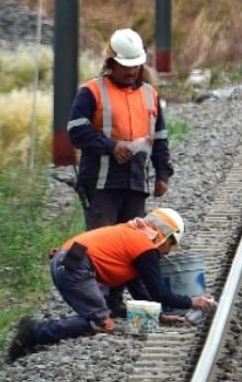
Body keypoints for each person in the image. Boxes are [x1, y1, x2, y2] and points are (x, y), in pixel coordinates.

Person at [7, 208, 216, 360]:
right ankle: (34, 332)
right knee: (99, 323)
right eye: (171, 244)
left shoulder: (133, 236)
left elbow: (138, 290)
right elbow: (159, 292)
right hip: (75, 267)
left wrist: (158, 316)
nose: (168, 252)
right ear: (165, 236)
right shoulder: (145, 247)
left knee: (100, 317)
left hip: (67, 262)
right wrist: (192, 302)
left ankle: (35, 335)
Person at [69, 28, 173, 231]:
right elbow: (76, 131)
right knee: (103, 244)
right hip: (101, 186)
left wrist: (162, 174)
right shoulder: (92, 91)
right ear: (111, 63)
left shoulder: (149, 94)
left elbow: (160, 137)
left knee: (132, 244)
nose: (132, 71)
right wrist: (111, 146)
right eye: (126, 66)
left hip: (136, 184)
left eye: (135, 65)